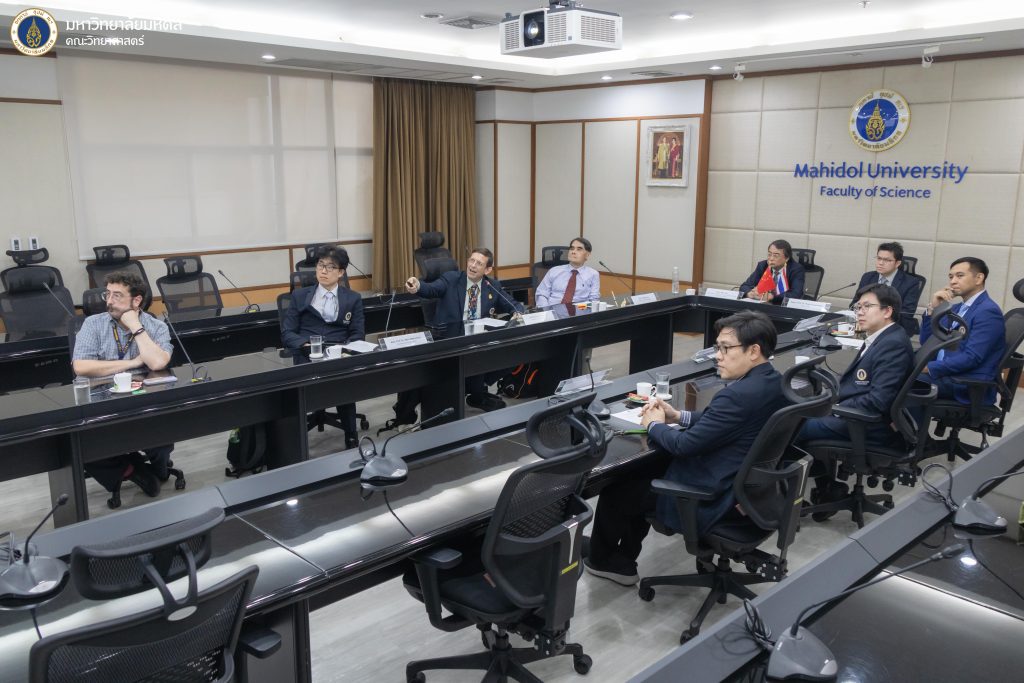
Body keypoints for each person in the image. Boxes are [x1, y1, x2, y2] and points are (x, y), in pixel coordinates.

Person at [584, 310, 788, 585]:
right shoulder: (773, 381)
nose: (718, 356)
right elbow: (722, 421)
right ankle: (623, 559)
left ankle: (601, 560)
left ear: (753, 351)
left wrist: (653, 425)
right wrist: (678, 416)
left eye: (725, 348)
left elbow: (684, 445)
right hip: (750, 493)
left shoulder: (736, 396)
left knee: (619, 489)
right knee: (644, 474)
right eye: (717, 347)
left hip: (713, 498)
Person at [797, 284, 914, 515]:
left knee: (792, 426)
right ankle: (827, 487)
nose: (859, 312)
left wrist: (834, 407)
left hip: (868, 424)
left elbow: (878, 401)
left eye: (867, 306)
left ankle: (782, 496)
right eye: (858, 307)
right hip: (856, 416)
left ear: (887, 311)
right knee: (799, 415)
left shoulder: (893, 344)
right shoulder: (882, 337)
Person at [71, 272, 174, 497]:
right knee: (80, 444)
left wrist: (136, 326)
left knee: (162, 427)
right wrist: (132, 363)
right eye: (107, 294)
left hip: (141, 399)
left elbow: (158, 362)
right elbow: (81, 366)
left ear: (136, 300)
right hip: (100, 400)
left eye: (117, 295)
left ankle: (158, 465)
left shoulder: (157, 327)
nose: (109, 301)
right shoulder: (93, 324)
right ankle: (132, 470)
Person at [406, 247, 524, 411]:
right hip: (449, 339)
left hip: (478, 339)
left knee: (515, 351)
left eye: (479, 263)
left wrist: (517, 313)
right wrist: (418, 286)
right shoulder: (451, 279)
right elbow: (431, 289)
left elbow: (513, 304)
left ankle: (477, 389)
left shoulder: (492, 285)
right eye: (471, 260)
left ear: (487, 270)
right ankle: (474, 392)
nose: (473, 265)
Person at [281, 245, 365, 448]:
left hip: (338, 355)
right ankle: (294, 443)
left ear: (341, 272)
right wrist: (304, 345)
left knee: (344, 382)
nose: (324, 271)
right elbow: (287, 333)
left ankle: (351, 436)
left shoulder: (353, 298)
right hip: (307, 354)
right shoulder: (300, 296)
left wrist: (345, 351)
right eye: (320, 265)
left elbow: (357, 333)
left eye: (330, 267)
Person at [920, 257, 1006, 405]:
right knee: (892, 374)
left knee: (905, 382)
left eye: (960, 276)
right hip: (944, 374)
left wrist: (929, 368)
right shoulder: (956, 308)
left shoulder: (988, 311)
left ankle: (907, 421)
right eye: (951, 277)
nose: (953, 281)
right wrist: (933, 309)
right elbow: (926, 342)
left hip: (963, 382)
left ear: (979, 278)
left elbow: (972, 357)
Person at [853, 242, 922, 335]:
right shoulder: (867, 277)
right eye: (879, 258)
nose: (881, 263)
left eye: (887, 260)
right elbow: (854, 303)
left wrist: (876, 320)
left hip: (894, 329)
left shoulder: (910, 283)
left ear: (897, 263)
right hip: (866, 327)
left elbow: (906, 314)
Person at [534, 237, 601, 308]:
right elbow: (541, 294)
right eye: (572, 248)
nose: (573, 252)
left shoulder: (593, 274)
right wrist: (546, 310)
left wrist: (579, 310)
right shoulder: (554, 271)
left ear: (587, 255)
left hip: (579, 311)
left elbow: (593, 300)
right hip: (552, 310)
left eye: (579, 249)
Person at [738, 239, 806, 304]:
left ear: (787, 258)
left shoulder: (796, 270)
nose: (771, 258)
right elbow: (745, 286)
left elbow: (796, 294)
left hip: (783, 307)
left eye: (775, 256)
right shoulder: (763, 265)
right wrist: (750, 293)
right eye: (769, 254)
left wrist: (771, 296)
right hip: (762, 305)